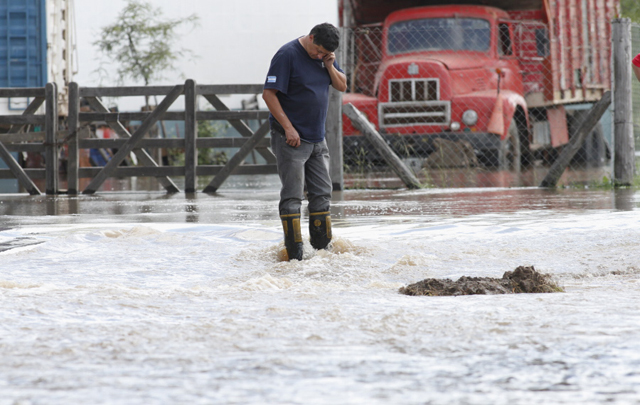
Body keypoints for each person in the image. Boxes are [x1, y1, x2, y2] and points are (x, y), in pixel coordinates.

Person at [262, 23, 347, 261]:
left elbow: (342, 85)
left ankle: (322, 254)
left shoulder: (325, 58)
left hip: (317, 139)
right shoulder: (287, 54)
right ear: (311, 37)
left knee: (322, 195)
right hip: (291, 139)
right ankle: (294, 257)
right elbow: (268, 94)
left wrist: (329, 65)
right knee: (292, 197)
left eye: (323, 53)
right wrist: (288, 128)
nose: (318, 56)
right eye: (317, 51)